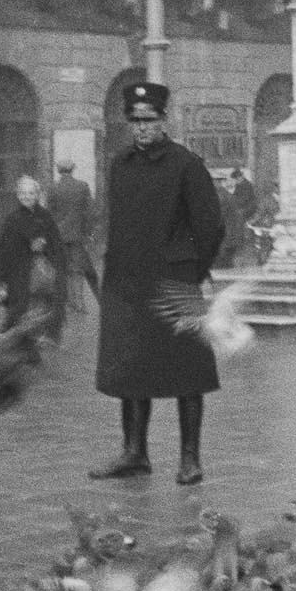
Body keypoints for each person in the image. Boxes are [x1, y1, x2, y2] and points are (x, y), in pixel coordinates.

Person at [91, 81, 225, 487]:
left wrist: (192, 273)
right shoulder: (121, 164)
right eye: (135, 120)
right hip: (129, 285)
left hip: (176, 284)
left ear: (163, 121)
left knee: (189, 370)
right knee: (130, 368)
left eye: (149, 120)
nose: (142, 128)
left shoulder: (186, 164)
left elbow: (211, 227)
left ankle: (189, 458)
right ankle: (134, 452)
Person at [0, 174, 68, 344]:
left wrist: (44, 246)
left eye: (31, 193)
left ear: (37, 194)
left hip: (43, 269)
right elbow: (4, 249)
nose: (27, 197)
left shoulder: (45, 216)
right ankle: (14, 335)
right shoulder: (12, 219)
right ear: (18, 195)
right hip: (20, 270)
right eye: (23, 193)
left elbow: (56, 243)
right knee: (19, 304)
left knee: (49, 301)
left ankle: (48, 335)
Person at [46, 161, 100, 307]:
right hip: (77, 235)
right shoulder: (82, 186)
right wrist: (88, 233)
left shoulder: (53, 188)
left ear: (58, 170)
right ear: (73, 170)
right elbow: (90, 212)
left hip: (58, 235)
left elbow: (48, 214)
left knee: (62, 268)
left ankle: (68, 301)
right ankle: (80, 302)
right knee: (78, 268)